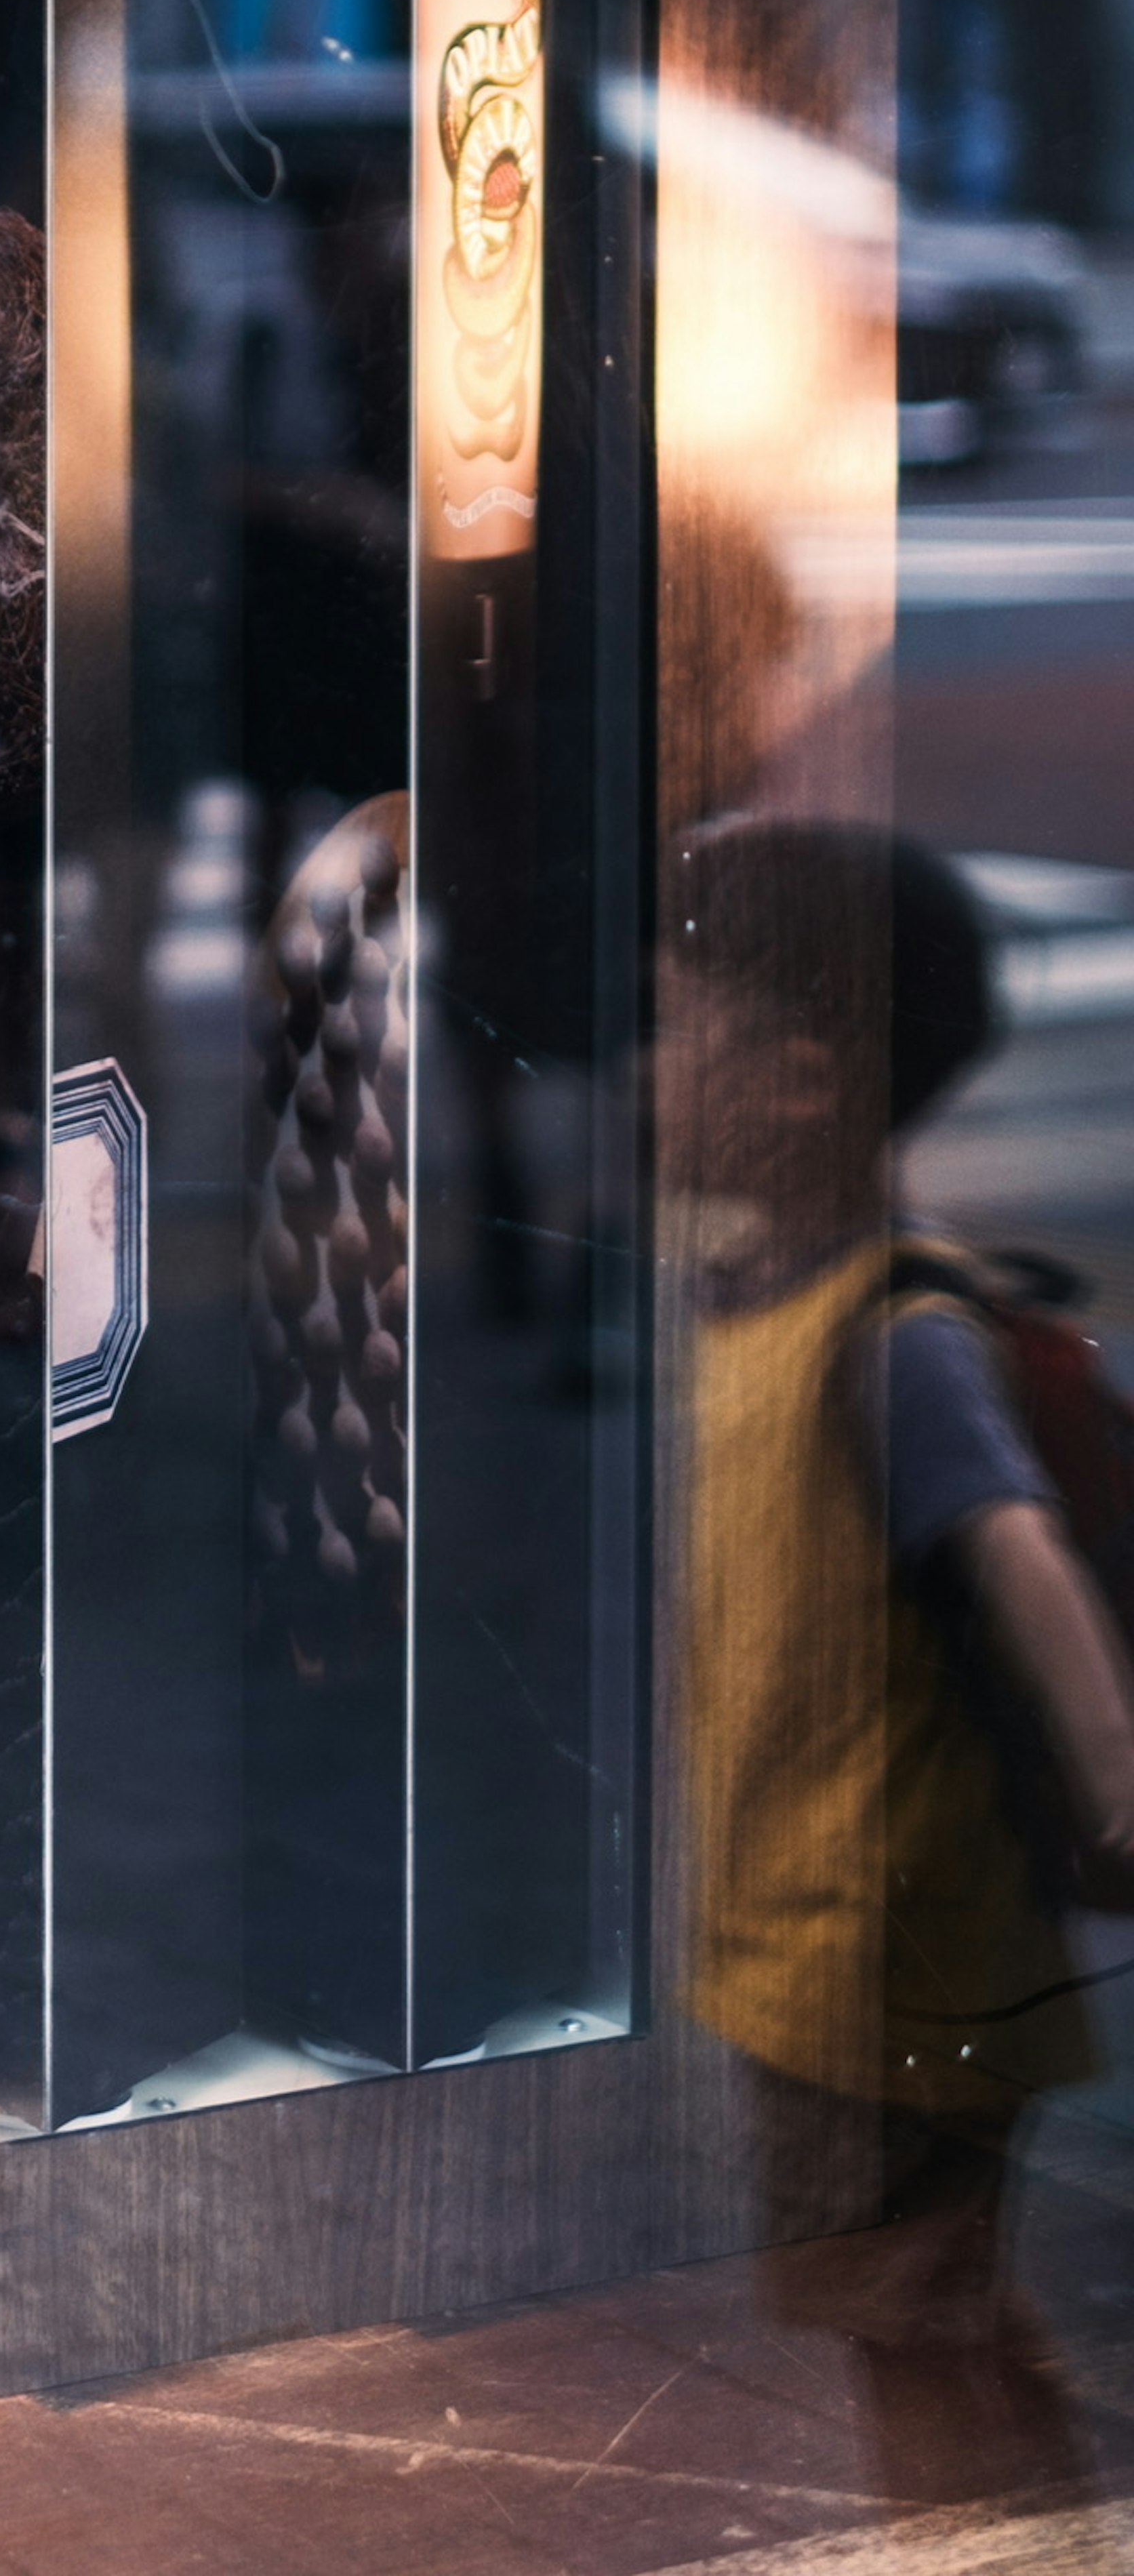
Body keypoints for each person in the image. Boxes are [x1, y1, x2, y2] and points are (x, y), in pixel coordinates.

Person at [666, 818, 1134, 2501]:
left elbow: (1021, 1556)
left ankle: (975, 2537)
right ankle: (1035, 2523)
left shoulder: (894, 1337)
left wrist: (1120, 1790)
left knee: (908, 2326)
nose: (646, 1069)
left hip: (888, 1967)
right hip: (830, 1956)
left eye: (677, 1028)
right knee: (934, 2305)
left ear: (798, 1081)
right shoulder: (755, 1298)